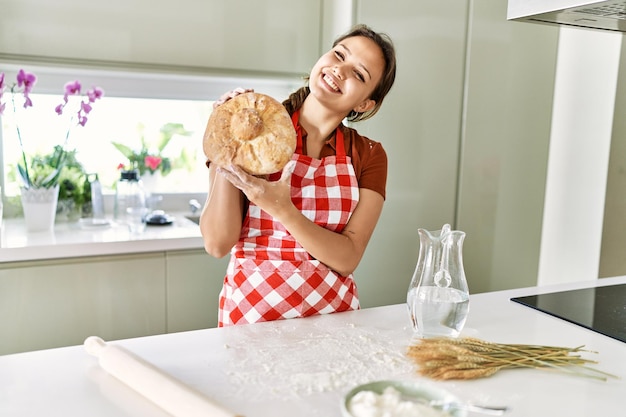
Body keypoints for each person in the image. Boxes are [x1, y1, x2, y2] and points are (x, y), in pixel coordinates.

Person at [200, 23, 397, 327]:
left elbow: (348, 258)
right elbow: (217, 244)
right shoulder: (255, 129)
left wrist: (282, 208)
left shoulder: (368, 154)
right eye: (338, 54)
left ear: (364, 103)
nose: (340, 70)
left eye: (359, 74)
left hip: (333, 324)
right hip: (252, 322)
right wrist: (228, 141)